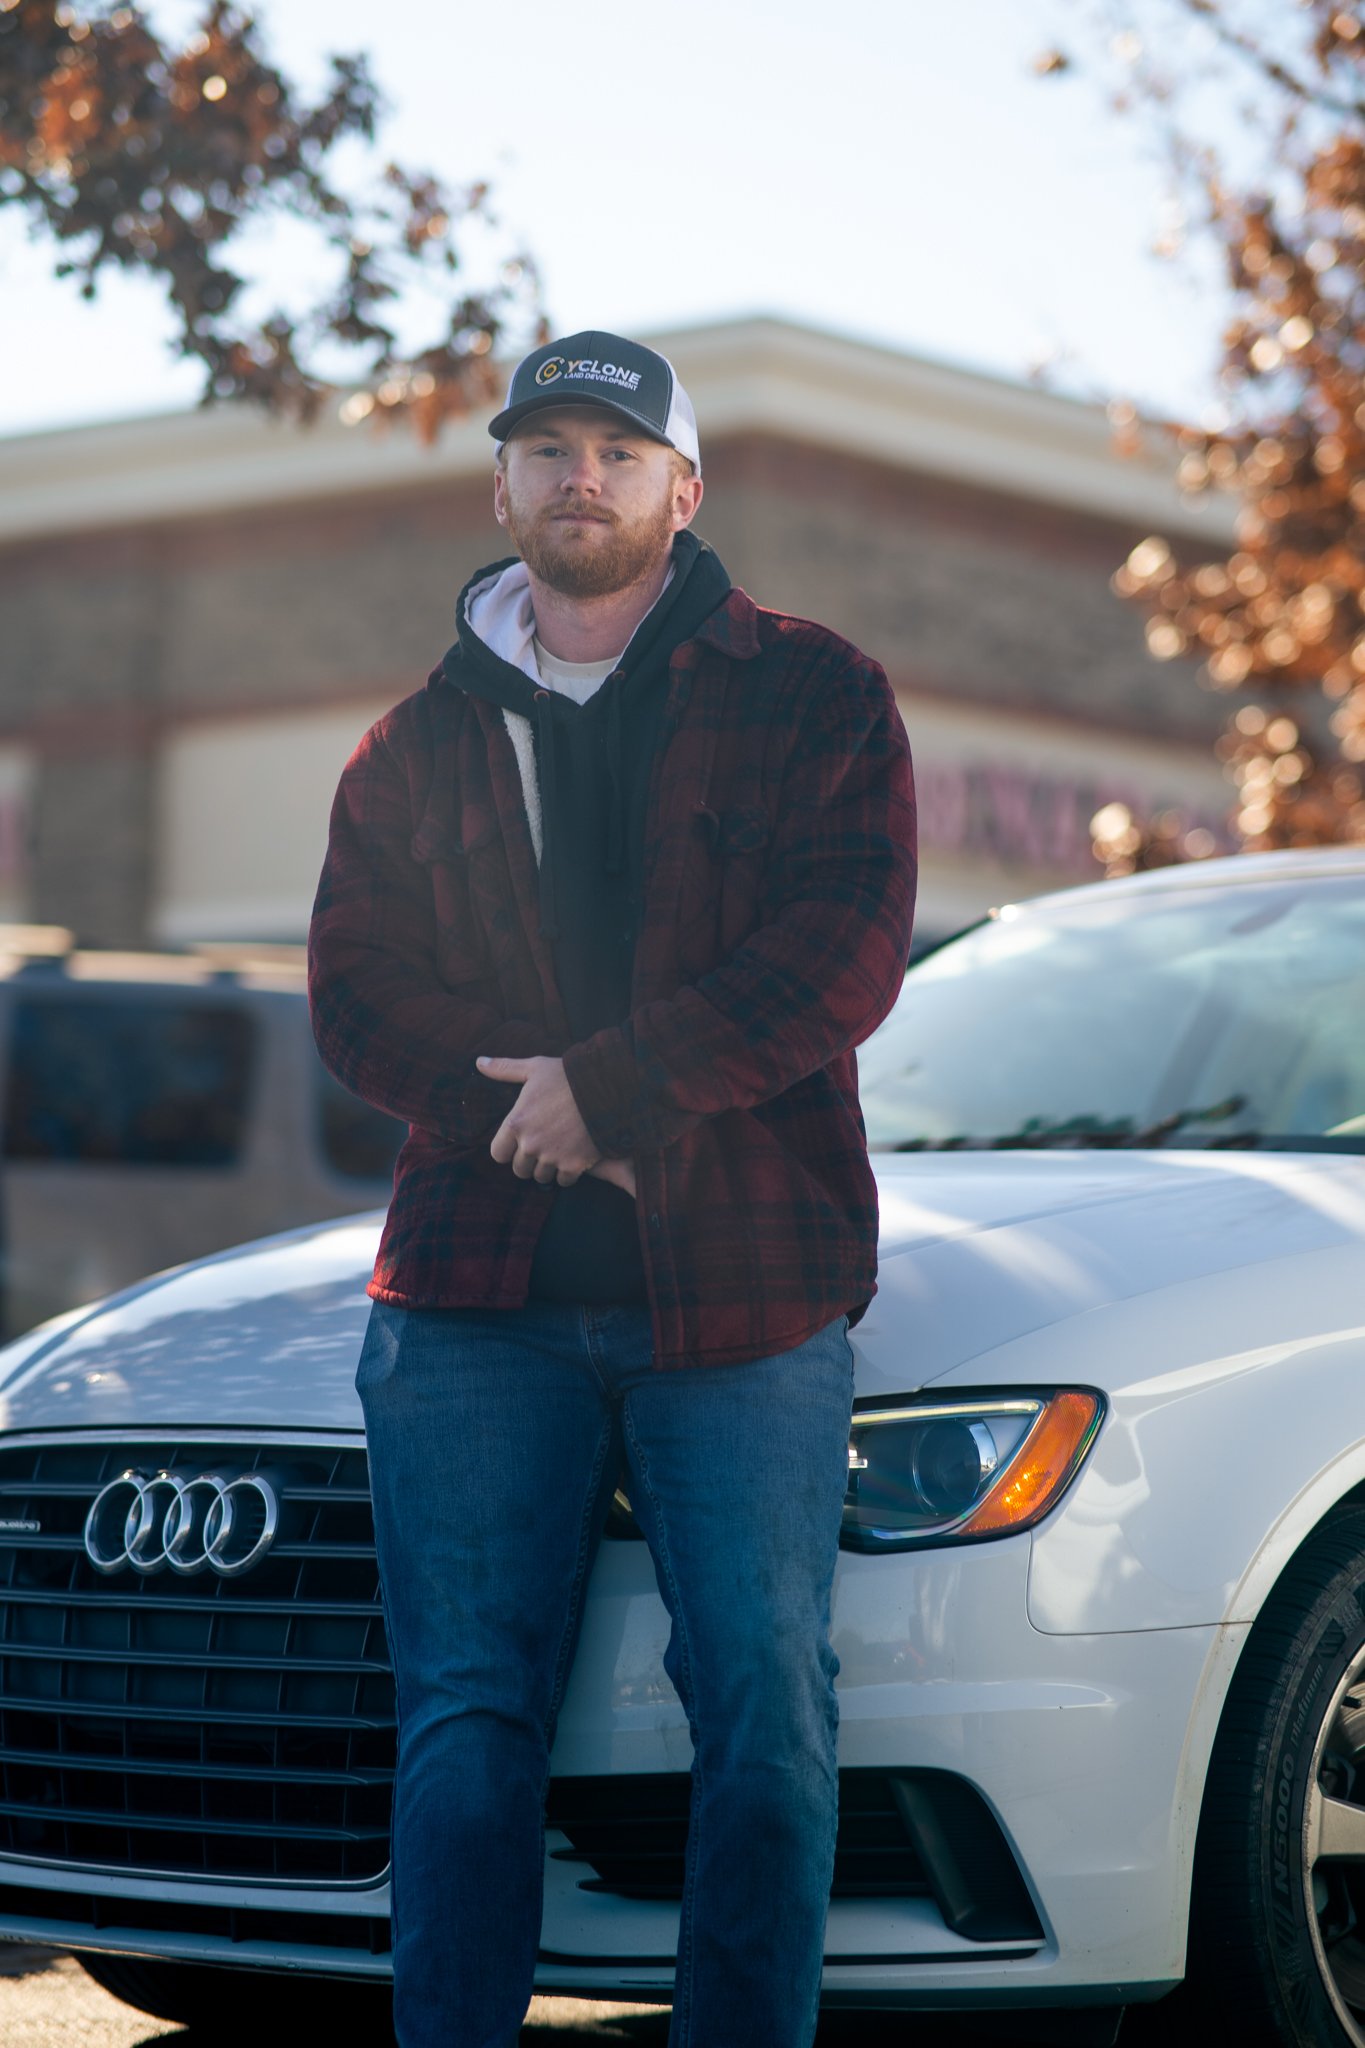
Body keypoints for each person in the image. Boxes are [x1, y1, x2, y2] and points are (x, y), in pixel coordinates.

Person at [308, 329, 917, 2048]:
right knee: (462, 1725)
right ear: (498, 483)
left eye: (618, 451)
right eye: (549, 447)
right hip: (469, 1305)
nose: (583, 476)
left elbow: (843, 955)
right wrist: (542, 1117)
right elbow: (358, 994)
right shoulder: (409, 743)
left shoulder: (813, 691)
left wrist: (618, 1087)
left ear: (682, 490)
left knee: (770, 1721)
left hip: (742, 1288)